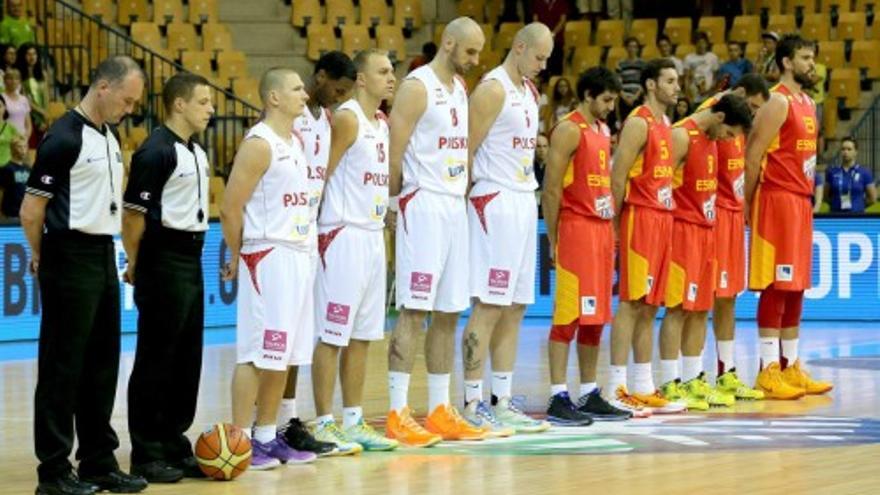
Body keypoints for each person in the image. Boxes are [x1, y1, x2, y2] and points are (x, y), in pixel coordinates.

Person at [21, 55, 147, 495]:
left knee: (101, 365)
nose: (129, 110)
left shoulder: (109, 136)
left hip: (101, 254)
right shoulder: (62, 137)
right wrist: (42, 255)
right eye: (127, 100)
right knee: (62, 368)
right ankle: (53, 473)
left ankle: (97, 460)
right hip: (68, 254)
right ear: (103, 88)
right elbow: (31, 209)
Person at [384, 17, 486, 447]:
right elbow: (393, 147)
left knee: (448, 311)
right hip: (421, 203)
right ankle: (396, 411)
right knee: (414, 310)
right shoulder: (416, 86)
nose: (475, 61)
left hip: (452, 207)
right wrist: (390, 204)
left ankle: (441, 409)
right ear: (448, 44)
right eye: (470, 52)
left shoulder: (460, 90)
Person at [220, 67, 320, 469]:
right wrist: (236, 253)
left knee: (284, 352)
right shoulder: (259, 144)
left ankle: (266, 436)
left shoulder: (294, 140)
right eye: (297, 89)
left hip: (298, 253)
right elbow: (229, 207)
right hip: (268, 255)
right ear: (274, 97)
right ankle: (241, 439)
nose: (305, 96)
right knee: (256, 351)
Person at [460, 23, 554, 436]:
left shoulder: (530, 92)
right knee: (489, 305)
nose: (543, 65)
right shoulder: (492, 89)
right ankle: (470, 401)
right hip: (493, 202)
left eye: (547, 59)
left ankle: (500, 399)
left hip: (521, 199)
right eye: (539, 57)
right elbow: (466, 148)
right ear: (519, 48)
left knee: (515, 307)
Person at [122, 73, 215, 483]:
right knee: (156, 359)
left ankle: (173, 441)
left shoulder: (195, 149)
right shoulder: (155, 150)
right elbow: (133, 215)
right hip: (164, 259)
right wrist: (136, 262)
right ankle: (146, 452)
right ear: (179, 104)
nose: (211, 109)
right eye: (203, 102)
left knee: (186, 357)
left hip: (193, 258)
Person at [309, 49, 398, 452]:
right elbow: (321, 175)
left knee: (363, 335)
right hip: (342, 234)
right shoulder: (347, 118)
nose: (391, 77)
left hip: (372, 234)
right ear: (361, 79)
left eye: (393, 71)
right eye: (383, 71)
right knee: (333, 333)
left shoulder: (381, 121)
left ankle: (354, 419)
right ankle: (324, 421)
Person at [542, 66, 632, 425]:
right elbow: (550, 189)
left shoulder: (603, 129)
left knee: (595, 319)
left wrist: (611, 231)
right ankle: (557, 395)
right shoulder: (568, 130)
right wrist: (554, 239)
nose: (611, 107)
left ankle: (589, 392)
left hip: (599, 231)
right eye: (606, 100)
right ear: (589, 96)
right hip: (575, 230)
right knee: (568, 317)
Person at [745, 34, 833, 399]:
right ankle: (768, 370)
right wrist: (746, 209)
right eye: (805, 57)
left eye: (812, 58)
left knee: (796, 285)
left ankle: (791, 366)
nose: (812, 64)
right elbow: (752, 158)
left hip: (799, 201)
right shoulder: (777, 102)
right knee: (776, 284)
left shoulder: (809, 103)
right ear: (786, 62)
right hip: (775, 201)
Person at [656, 93, 753, 411]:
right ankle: (669, 383)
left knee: (699, 308)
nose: (728, 141)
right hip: (681, 231)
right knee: (677, 308)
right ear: (720, 118)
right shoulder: (682, 135)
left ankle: (693, 379)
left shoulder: (711, 138)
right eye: (729, 134)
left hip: (705, 231)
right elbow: (658, 185)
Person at [281, 50, 355, 457]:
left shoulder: (328, 120)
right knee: (275, 339)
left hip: (309, 234)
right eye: (337, 89)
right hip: (280, 238)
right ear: (320, 76)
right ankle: (263, 425)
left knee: (297, 338)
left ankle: (289, 420)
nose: (339, 98)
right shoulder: (283, 121)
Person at [605, 58, 684, 415]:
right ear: (651, 84)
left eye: (677, 80)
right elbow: (617, 177)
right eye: (669, 80)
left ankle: (642, 384)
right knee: (631, 302)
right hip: (640, 217)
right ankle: (615, 387)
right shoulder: (639, 122)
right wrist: (616, 226)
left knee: (651, 304)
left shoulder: (666, 123)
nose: (676, 87)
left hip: (662, 220)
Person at [700, 74, 769, 400]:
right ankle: (691, 376)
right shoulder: (712, 117)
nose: (754, 115)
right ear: (739, 94)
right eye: (753, 106)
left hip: (732, 218)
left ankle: (725, 372)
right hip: (711, 216)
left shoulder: (739, 126)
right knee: (702, 300)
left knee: (728, 297)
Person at [824, 137, 876, 213]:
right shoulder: (832, 172)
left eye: (849, 149)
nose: (845, 152)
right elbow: (825, 197)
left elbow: (873, 198)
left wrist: (859, 205)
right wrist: (836, 204)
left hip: (857, 217)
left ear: (856, 152)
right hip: (835, 217)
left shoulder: (864, 172)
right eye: (843, 149)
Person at [16, 43, 50, 148]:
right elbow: (24, 98)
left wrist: (45, 114)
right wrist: (40, 112)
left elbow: (46, 95)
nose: (32, 57)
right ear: (23, 56)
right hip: (28, 115)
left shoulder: (43, 73)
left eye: (34, 54)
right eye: (28, 54)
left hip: (43, 115)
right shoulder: (19, 74)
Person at [683, 32, 720, 106]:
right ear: (695, 44)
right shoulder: (688, 58)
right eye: (698, 42)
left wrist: (710, 90)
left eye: (703, 42)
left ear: (706, 43)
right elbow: (686, 78)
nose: (701, 45)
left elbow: (716, 77)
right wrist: (687, 93)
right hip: (694, 94)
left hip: (709, 94)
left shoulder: (713, 57)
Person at [616, 37, 645, 119]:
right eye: (630, 46)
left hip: (637, 97)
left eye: (634, 47)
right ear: (626, 48)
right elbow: (618, 82)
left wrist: (635, 96)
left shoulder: (642, 64)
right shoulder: (620, 64)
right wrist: (624, 97)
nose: (632, 49)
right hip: (624, 98)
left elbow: (643, 82)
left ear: (638, 49)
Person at [0, 134, 28, 218]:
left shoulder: (28, 169)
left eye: (25, 147)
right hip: (10, 213)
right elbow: (1, 191)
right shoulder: (6, 169)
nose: (23, 150)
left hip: (25, 213)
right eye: (20, 147)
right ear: (12, 149)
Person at [2, 67, 33, 138]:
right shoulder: (1, 98)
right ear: (4, 81)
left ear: (19, 81)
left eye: (16, 79)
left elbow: (28, 125)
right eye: (10, 78)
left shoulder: (24, 99)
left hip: (22, 141)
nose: (13, 81)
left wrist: (25, 138)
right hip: (6, 139)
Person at [0, 96, 20, 166]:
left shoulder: (11, 128)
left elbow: (20, 144)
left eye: (0, 106)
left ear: (4, 108)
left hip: (8, 167)